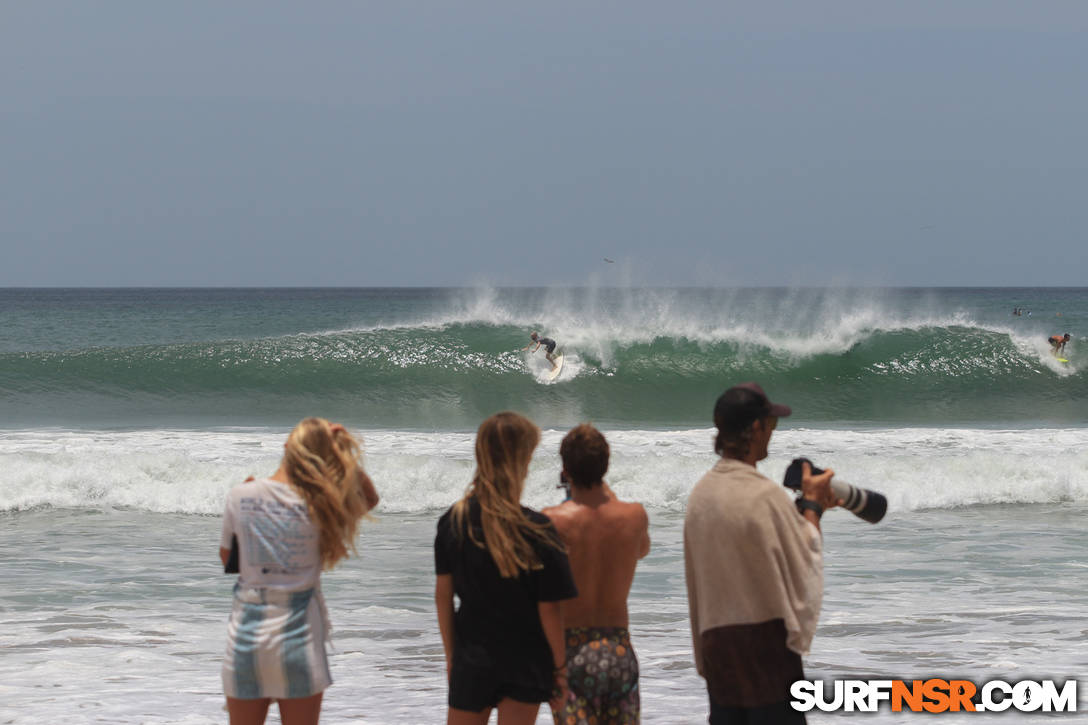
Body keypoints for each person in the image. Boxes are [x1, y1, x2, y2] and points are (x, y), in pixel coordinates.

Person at [684, 383, 838, 724]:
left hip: (717, 647)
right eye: (771, 425)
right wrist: (812, 505)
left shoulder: (700, 496)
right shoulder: (764, 495)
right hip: (764, 648)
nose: (772, 433)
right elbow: (805, 556)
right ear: (756, 428)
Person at [219, 418, 380, 725]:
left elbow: (229, 559)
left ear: (286, 448)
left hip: (247, 636)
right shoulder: (323, 504)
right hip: (300, 636)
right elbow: (369, 499)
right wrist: (342, 455)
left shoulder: (242, 495)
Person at [435, 412, 578, 725]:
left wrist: (451, 658)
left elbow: (443, 597)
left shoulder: (454, 521)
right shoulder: (537, 528)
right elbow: (550, 609)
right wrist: (560, 669)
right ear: (523, 461)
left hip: (472, 656)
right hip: (525, 658)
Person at [542, 424, 650, 725]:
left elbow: (545, 602)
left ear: (565, 469)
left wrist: (554, 667)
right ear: (606, 464)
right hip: (618, 649)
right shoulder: (634, 516)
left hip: (571, 653)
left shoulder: (552, 521)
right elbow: (641, 550)